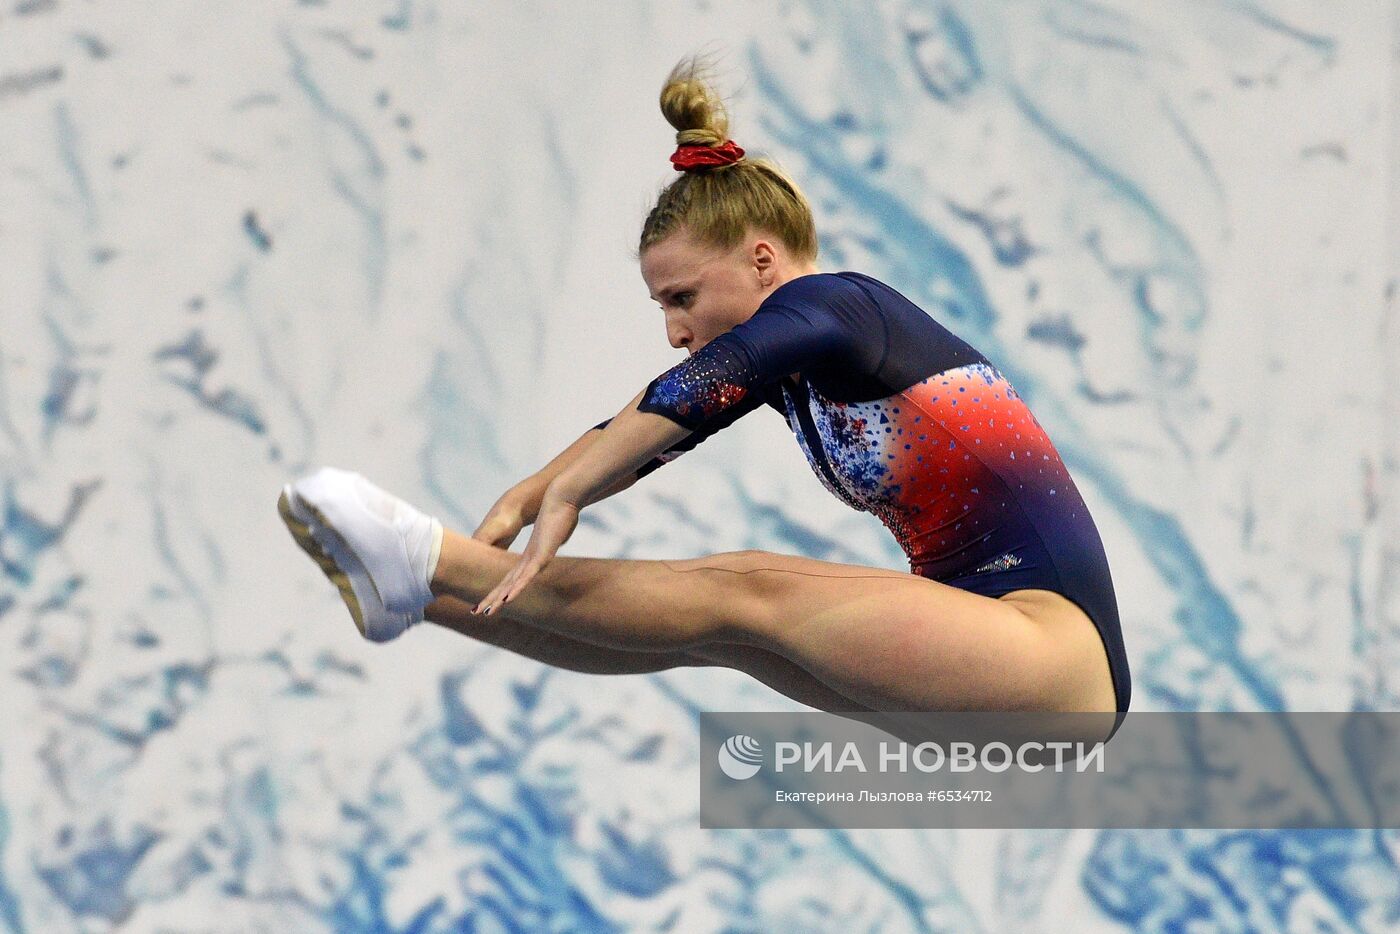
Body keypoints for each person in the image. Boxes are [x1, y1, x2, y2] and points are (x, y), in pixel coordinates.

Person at [277, 55, 1131, 733]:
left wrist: (564, 490)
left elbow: (691, 390)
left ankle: (427, 557)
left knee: (743, 587)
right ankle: (422, 595)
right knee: (720, 632)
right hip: (996, 667)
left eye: (682, 298)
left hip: (1051, 652)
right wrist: (531, 492)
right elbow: (648, 423)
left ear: (762, 259)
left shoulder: (837, 307)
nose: (675, 328)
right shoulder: (789, 369)